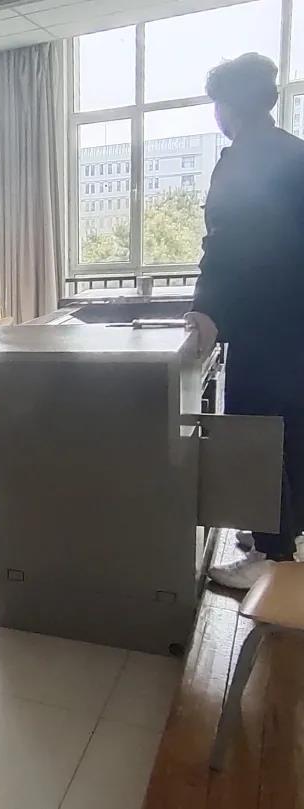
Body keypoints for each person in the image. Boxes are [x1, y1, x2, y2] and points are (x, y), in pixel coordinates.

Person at [186, 53, 304, 590]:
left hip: (265, 323)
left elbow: (226, 244)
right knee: (292, 429)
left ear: (228, 106)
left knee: (258, 432)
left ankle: (272, 556)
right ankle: (282, 535)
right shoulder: (294, 152)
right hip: (294, 320)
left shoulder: (241, 160)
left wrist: (206, 308)